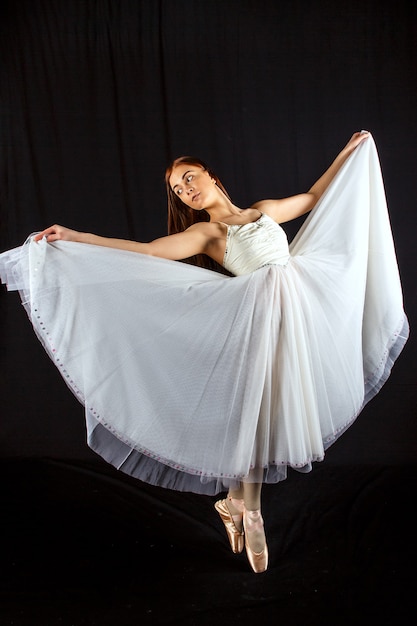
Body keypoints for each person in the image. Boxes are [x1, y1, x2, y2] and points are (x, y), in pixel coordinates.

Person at [0, 132, 409, 573]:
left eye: (190, 178)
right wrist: (75, 236)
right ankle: (251, 513)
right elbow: (148, 251)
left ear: (211, 175)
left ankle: (233, 502)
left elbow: (313, 195)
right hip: (255, 327)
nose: (187, 190)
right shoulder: (207, 232)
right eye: (178, 188)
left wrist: (348, 152)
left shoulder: (264, 212)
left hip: (298, 320)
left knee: (270, 418)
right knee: (255, 419)